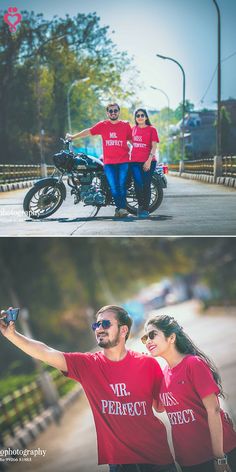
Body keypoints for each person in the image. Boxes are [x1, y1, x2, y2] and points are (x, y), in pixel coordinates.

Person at [0, 306, 177, 472]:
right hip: (121, 463)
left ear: (124, 330)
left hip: (157, 458)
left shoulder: (148, 364)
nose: (99, 328)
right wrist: (12, 336)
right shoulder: (86, 365)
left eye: (106, 323)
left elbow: (160, 406)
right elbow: (45, 352)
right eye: (96, 324)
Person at [141, 315, 236, 472]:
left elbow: (214, 410)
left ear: (171, 337)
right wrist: (145, 375)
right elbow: (159, 407)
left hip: (216, 454)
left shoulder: (193, 364)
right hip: (188, 461)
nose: (148, 341)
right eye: (145, 338)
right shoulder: (164, 373)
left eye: (152, 335)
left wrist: (219, 457)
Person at [66, 104, 132, 218]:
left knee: (121, 186)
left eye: (115, 110)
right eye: (110, 111)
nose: (113, 113)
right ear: (107, 113)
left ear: (119, 112)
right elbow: (89, 131)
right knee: (114, 186)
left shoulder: (125, 125)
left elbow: (132, 140)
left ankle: (121, 209)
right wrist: (73, 136)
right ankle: (121, 209)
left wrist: (146, 153)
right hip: (109, 163)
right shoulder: (103, 125)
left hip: (123, 161)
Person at [130, 109, 159, 218]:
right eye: (138, 115)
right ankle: (141, 206)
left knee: (146, 184)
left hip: (149, 161)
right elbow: (131, 141)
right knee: (137, 184)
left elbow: (154, 146)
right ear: (136, 118)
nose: (140, 117)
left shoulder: (152, 129)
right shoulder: (133, 130)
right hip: (134, 161)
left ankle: (145, 209)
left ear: (146, 117)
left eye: (142, 115)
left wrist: (148, 161)